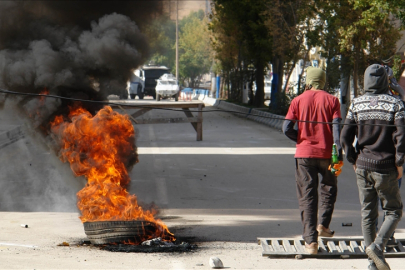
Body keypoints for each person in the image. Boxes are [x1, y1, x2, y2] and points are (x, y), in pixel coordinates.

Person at [341, 64, 404, 270]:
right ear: (386, 81)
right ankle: (377, 247)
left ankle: (371, 263)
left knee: (368, 213)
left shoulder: (356, 103)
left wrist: (352, 159)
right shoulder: (396, 103)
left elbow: (344, 137)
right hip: (386, 166)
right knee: (394, 210)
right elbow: (401, 136)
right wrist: (400, 162)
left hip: (362, 165)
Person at [283, 66, 343, 255]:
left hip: (304, 155)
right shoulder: (333, 100)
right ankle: (323, 225)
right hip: (327, 154)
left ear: (308, 80)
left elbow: (286, 128)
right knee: (329, 188)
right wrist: (338, 152)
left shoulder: (298, 100)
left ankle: (311, 243)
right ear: (323, 81)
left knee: (307, 196)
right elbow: (336, 129)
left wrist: (301, 140)